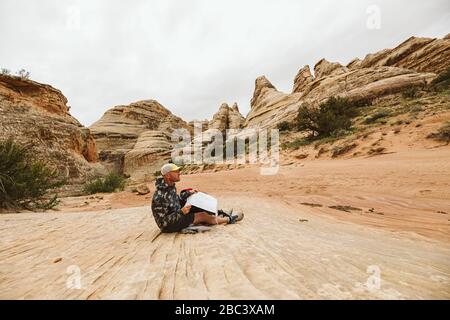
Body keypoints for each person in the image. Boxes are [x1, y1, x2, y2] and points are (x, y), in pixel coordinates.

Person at [151, 163, 244, 233]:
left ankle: (219, 213)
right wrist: (181, 212)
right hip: (169, 226)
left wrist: (188, 194)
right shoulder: (159, 197)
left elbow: (176, 200)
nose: (179, 173)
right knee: (201, 215)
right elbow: (162, 223)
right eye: (176, 172)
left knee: (196, 202)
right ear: (168, 175)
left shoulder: (170, 188)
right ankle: (229, 219)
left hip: (177, 215)